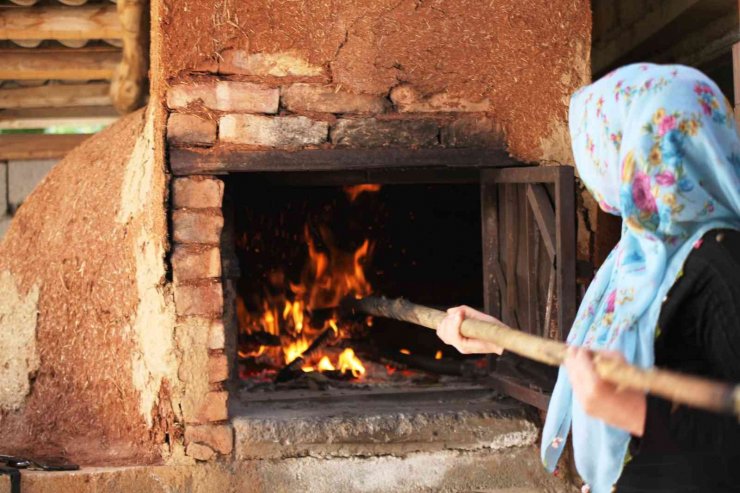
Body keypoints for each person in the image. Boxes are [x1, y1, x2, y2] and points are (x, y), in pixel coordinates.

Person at [436, 63, 740, 492]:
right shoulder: (638, 258)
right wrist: (503, 340)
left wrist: (632, 412)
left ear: (640, 148)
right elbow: (596, 378)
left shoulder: (722, 266)